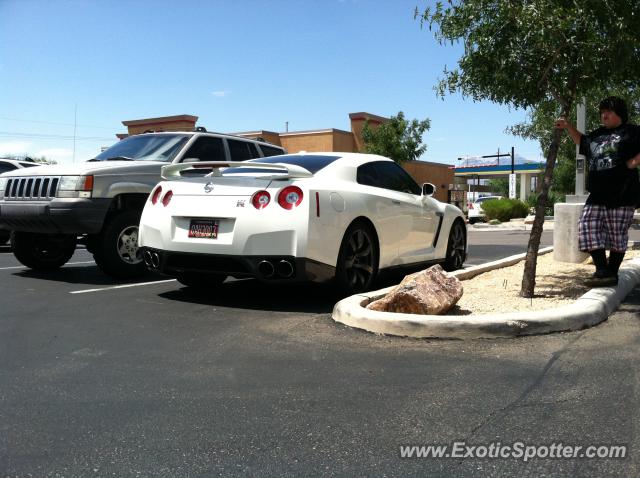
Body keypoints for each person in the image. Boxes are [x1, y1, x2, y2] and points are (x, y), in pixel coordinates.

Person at [555, 96, 640, 287]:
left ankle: (611, 273)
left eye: (608, 111)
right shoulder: (597, 134)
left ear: (619, 113)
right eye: (602, 112)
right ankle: (601, 270)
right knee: (587, 226)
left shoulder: (632, 131)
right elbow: (583, 142)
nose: (604, 115)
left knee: (617, 233)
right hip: (597, 193)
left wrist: (634, 162)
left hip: (623, 192)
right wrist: (568, 126)